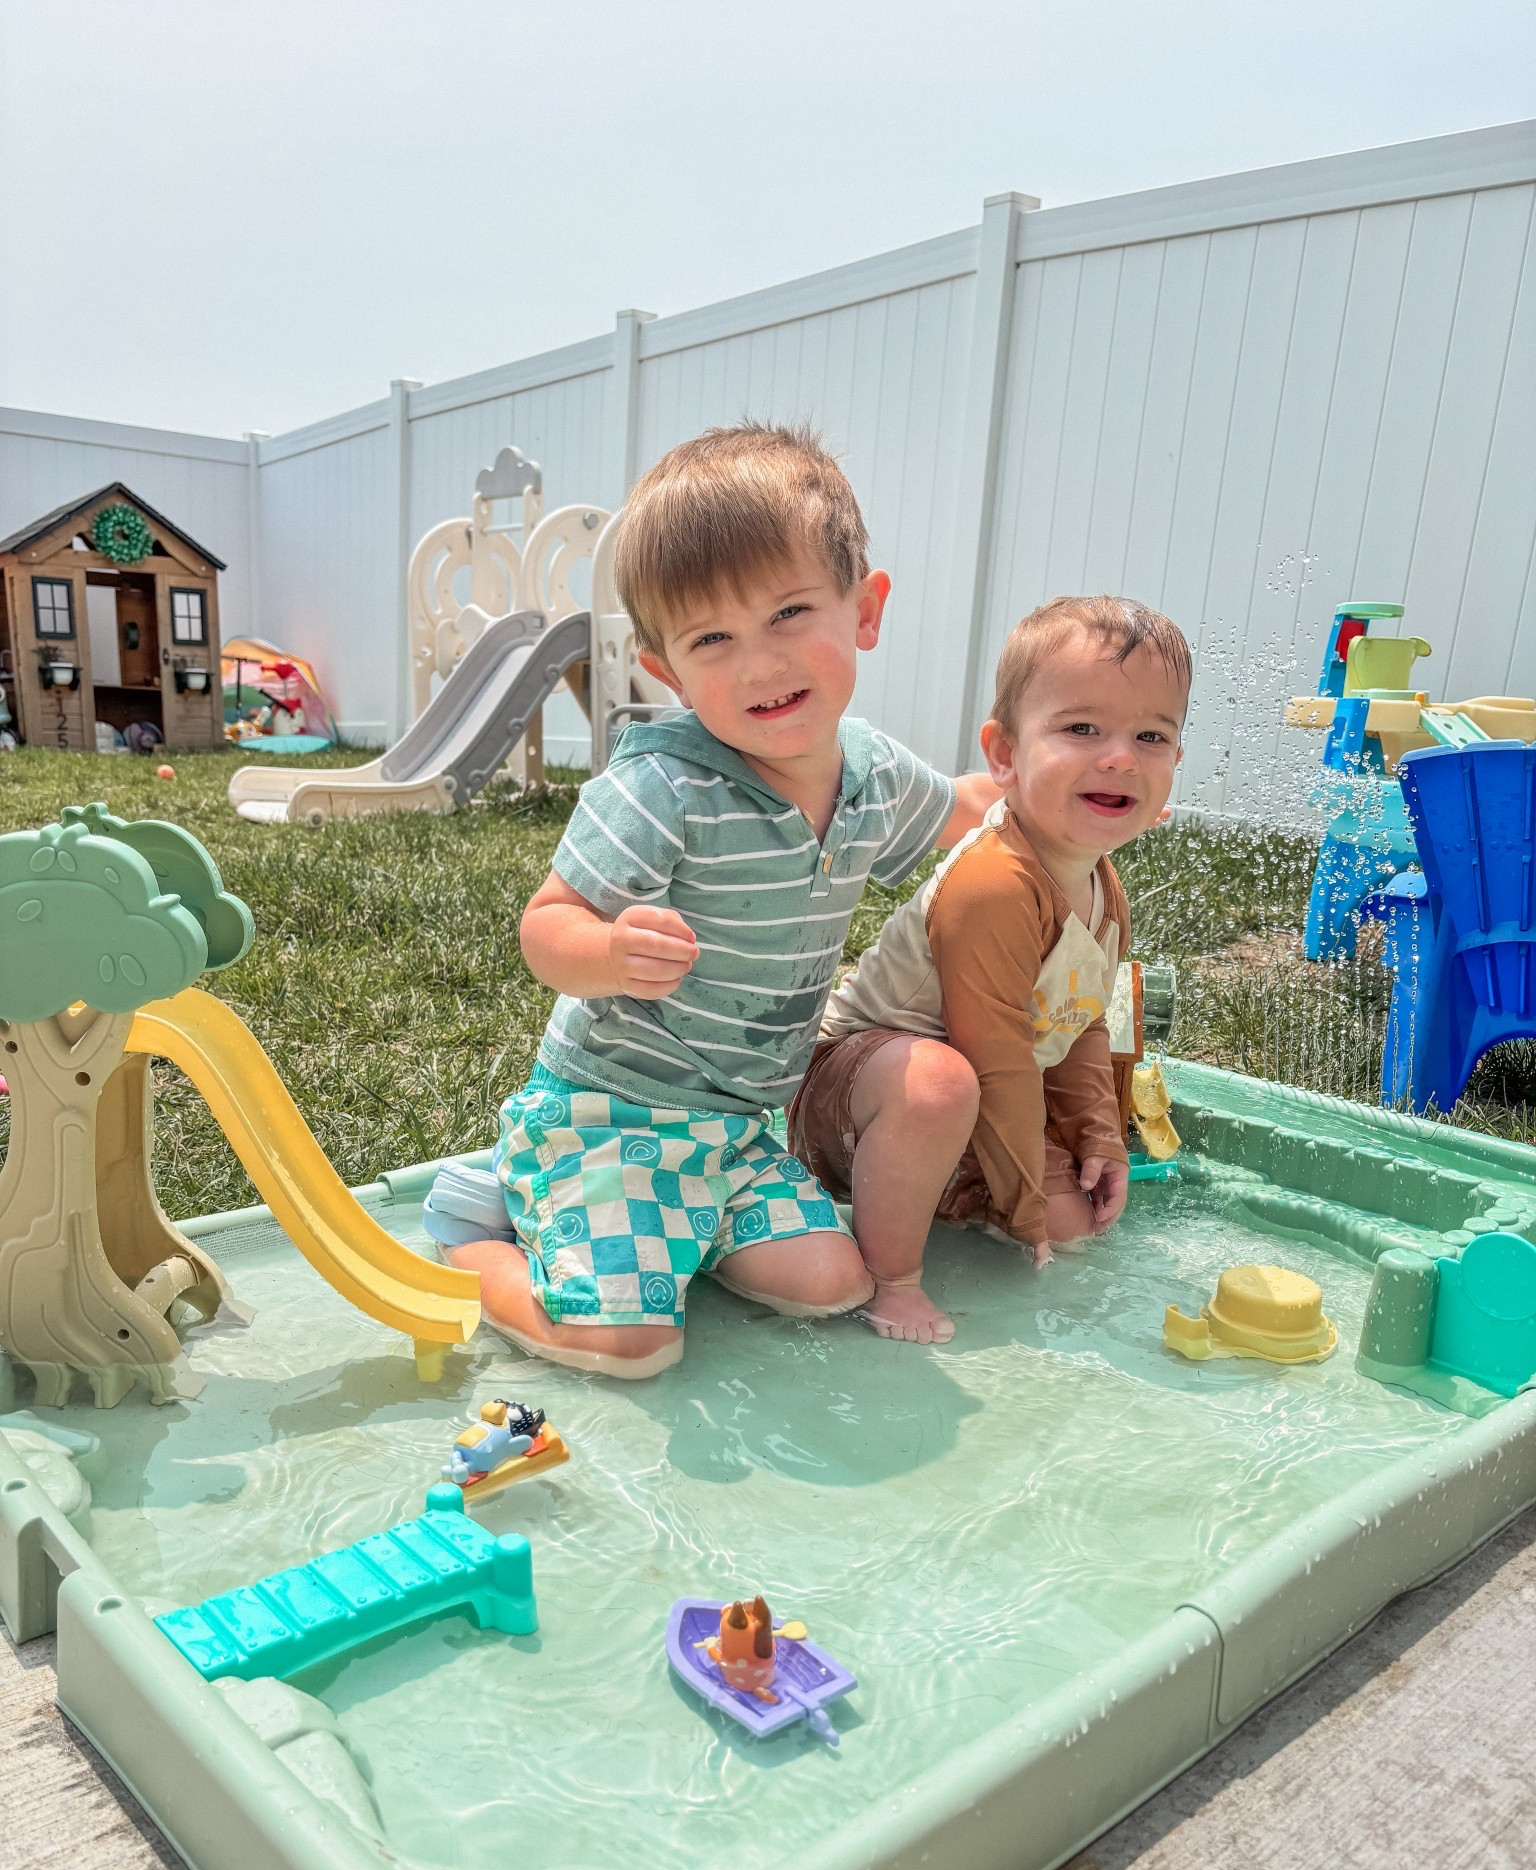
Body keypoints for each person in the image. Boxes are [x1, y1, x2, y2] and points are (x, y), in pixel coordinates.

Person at [423, 423, 994, 1376]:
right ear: (668, 670)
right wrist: (609, 953)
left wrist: (1057, 784)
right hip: (609, 1120)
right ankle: (476, 1236)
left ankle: (675, 1239)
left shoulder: (875, 775)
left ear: (865, 609)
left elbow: (970, 810)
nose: (759, 664)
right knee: (629, 1344)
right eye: (712, 639)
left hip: (733, 1135)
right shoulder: (664, 788)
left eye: (789, 613)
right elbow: (547, 925)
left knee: (834, 1284)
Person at [788, 595, 1191, 1344]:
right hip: (850, 1101)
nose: (1119, 757)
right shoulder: (995, 882)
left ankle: (956, 1196)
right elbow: (997, 1058)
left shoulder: (1102, 888)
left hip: (966, 1092)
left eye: (1151, 737)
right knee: (962, 1110)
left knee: (1075, 1226)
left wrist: (1099, 1137)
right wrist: (1023, 1200)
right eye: (1081, 729)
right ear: (1004, 755)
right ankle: (890, 1280)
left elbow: (1079, 1024)